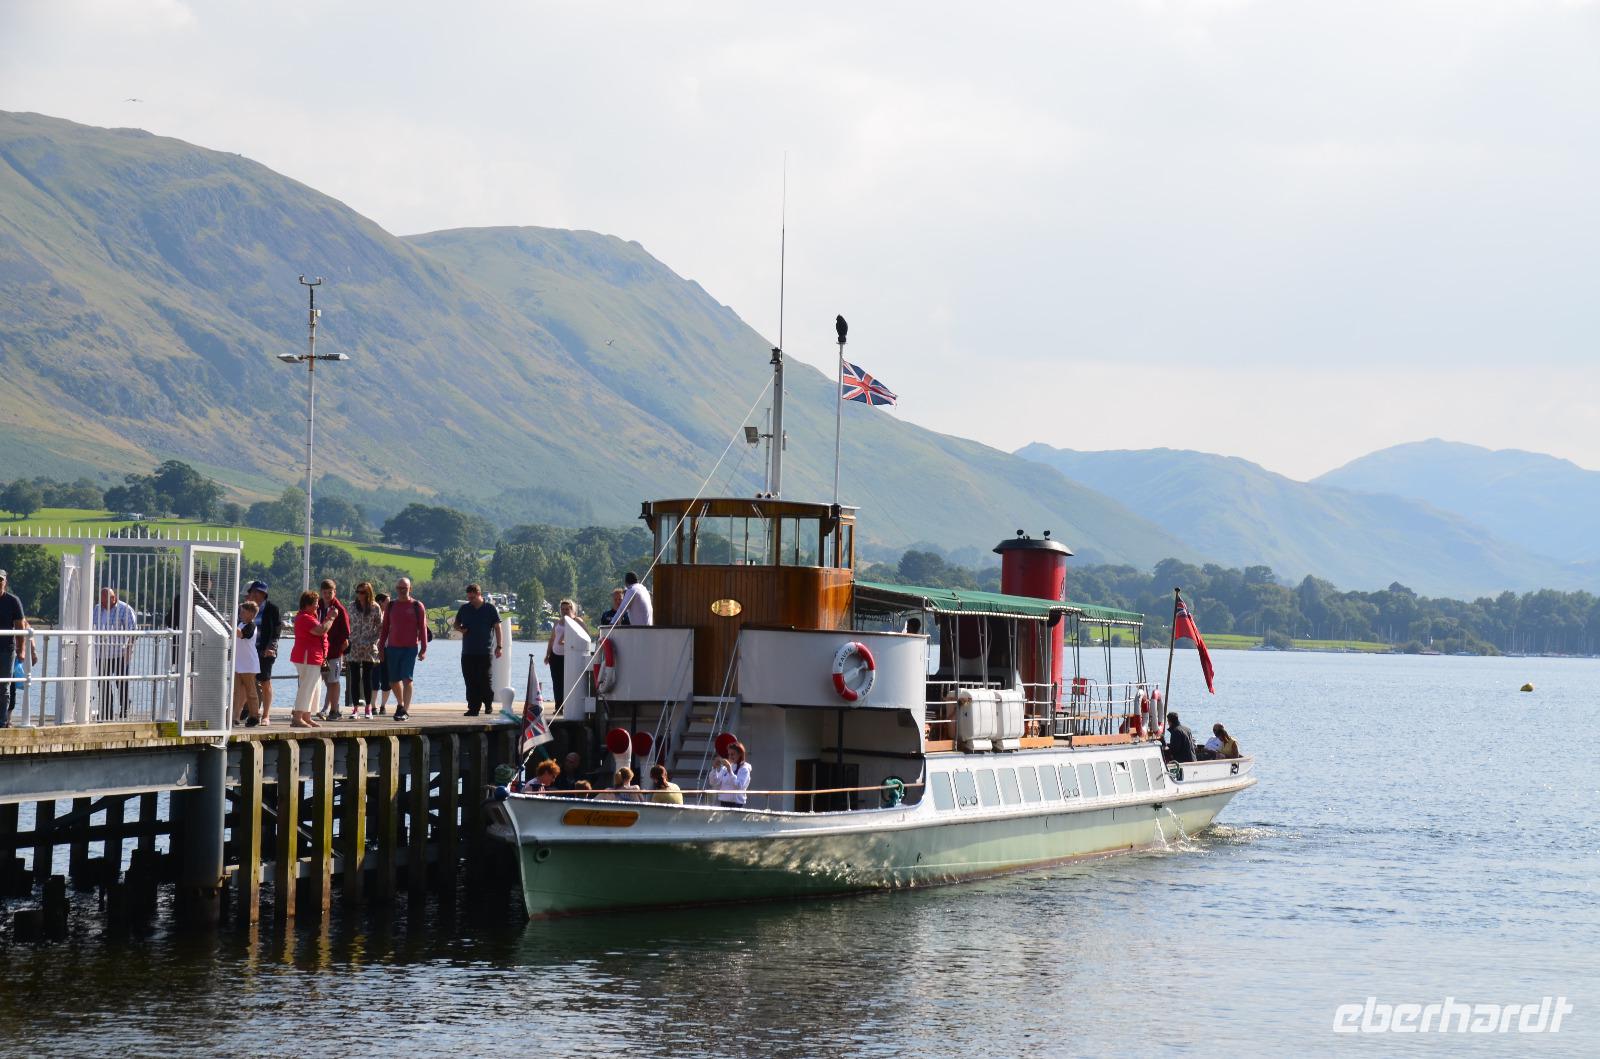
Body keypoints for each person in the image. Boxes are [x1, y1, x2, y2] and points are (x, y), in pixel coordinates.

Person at [379, 577, 428, 722]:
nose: (401, 591)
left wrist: (424, 649)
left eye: (404, 588)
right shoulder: (391, 606)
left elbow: (423, 628)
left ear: (410, 589)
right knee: (393, 681)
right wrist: (381, 647)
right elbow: (385, 628)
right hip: (393, 648)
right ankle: (400, 704)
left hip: (410, 648)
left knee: (407, 678)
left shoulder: (417, 606)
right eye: (399, 588)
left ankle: (405, 710)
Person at [455, 582, 504, 717]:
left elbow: (498, 627)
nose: (470, 600)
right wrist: (460, 629)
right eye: (468, 598)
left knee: (484, 680)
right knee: (470, 680)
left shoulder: (490, 608)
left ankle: (488, 703)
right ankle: (473, 708)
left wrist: (499, 646)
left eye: (472, 597)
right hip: (467, 652)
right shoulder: (464, 608)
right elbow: (456, 624)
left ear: (479, 594)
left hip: (485, 651)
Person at [289, 589, 334, 728]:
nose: (317, 606)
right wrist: (331, 618)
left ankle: (306, 717)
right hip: (307, 657)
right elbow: (321, 630)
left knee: (314, 687)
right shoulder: (305, 618)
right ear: (307, 605)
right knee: (307, 687)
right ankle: (297, 717)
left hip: (313, 657)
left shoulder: (309, 617)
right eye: (315, 603)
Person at [93, 586, 137, 720]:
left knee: (121, 683)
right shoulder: (97, 609)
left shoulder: (125, 609)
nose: (103, 603)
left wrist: (129, 649)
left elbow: (133, 631)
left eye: (105, 600)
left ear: (113, 598)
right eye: (101, 600)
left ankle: (125, 707)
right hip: (102, 654)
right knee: (103, 684)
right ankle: (107, 711)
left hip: (119, 653)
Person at [245, 581, 282, 724]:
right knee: (248, 681)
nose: (254, 594)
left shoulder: (272, 608)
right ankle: (252, 713)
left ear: (264, 594)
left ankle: (266, 715)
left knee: (265, 681)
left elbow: (276, 630)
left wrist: (271, 647)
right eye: (253, 591)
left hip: (266, 650)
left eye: (258, 592)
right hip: (249, 650)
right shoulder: (246, 607)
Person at [345, 581, 382, 720]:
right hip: (354, 645)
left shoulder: (375, 607)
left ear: (368, 593)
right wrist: (347, 640)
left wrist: (373, 641)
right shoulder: (351, 606)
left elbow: (380, 627)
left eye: (362, 592)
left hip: (368, 646)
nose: (359, 595)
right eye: (358, 592)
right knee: (354, 677)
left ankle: (368, 708)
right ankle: (355, 708)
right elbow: (346, 625)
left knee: (367, 677)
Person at [316, 579, 351, 721]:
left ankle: (334, 710)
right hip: (319, 651)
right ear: (321, 592)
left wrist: (340, 647)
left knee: (334, 680)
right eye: (325, 592)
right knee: (326, 681)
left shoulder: (339, 609)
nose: (327, 595)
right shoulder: (317, 606)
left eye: (330, 592)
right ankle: (328, 708)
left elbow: (346, 631)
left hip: (334, 651)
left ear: (334, 592)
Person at [0, 569, 24, 728]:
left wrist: (21, 650)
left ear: (5, 582)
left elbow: (20, 626)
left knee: (4, 686)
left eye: (0, 580)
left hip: (6, 649)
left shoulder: (13, 601)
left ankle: (2, 721)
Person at [234, 600, 262, 726]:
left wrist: (230, 625)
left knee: (250, 692)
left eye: (243, 612)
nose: (241, 614)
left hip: (249, 665)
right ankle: (235, 716)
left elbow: (240, 635)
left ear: (251, 614)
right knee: (236, 692)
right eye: (241, 612)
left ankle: (254, 716)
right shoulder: (240, 624)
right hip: (238, 663)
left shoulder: (251, 626)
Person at [544, 599, 577, 703]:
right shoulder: (557, 622)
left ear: (571, 609)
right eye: (562, 609)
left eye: (567, 609)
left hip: (568, 656)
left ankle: (567, 704)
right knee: (556, 682)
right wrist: (547, 655)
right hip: (555, 655)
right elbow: (552, 639)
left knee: (565, 681)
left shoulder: (575, 621)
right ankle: (558, 705)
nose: (564, 611)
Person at [708, 741, 751, 807]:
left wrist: (730, 771)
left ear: (740, 754)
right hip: (723, 802)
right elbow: (714, 782)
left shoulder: (744, 769)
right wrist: (714, 768)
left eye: (732, 754)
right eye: (729, 754)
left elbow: (739, 786)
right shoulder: (725, 768)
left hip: (736, 804)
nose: (730, 757)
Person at [372, 591, 392, 715]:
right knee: (374, 679)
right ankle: (373, 706)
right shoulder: (373, 614)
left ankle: (383, 706)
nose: (390, 604)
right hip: (375, 650)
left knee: (387, 679)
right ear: (380, 602)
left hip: (388, 649)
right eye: (387, 602)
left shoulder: (390, 615)